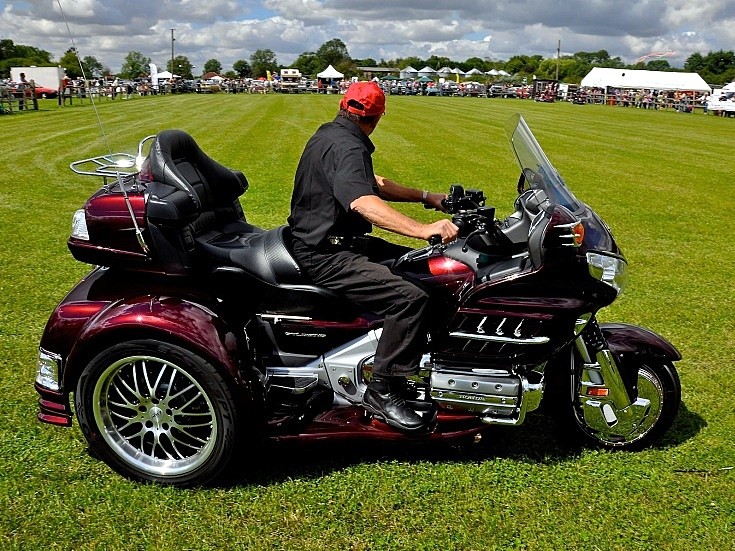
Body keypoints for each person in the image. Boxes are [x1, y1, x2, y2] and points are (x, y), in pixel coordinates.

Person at [288, 81, 458, 432]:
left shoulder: (331, 135)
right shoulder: (348, 147)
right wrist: (424, 228)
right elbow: (362, 201)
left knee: (430, 269)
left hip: (336, 243)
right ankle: (383, 389)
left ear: (342, 105)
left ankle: (424, 362)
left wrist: (430, 196)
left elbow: (374, 182)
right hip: (326, 253)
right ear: (378, 116)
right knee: (409, 299)